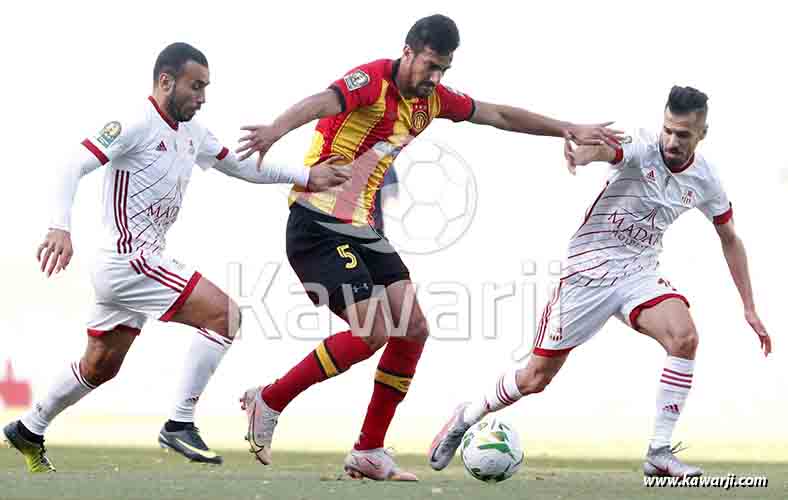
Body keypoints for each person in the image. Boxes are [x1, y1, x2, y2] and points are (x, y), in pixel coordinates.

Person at [235, 14, 621, 481]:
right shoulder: (372, 80)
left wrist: (565, 126)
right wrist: (276, 129)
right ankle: (269, 400)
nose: (434, 78)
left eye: (444, 69)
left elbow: (497, 114)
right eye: (430, 66)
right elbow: (323, 100)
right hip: (316, 224)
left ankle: (369, 450)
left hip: (359, 229)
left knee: (413, 326)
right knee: (373, 329)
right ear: (409, 52)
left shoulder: (433, 100)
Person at [2, 42, 350, 472]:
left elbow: (240, 166)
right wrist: (60, 227)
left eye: (206, 87)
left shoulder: (193, 134)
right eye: (195, 86)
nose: (202, 97)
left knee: (99, 367)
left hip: (131, 267)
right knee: (226, 315)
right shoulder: (134, 123)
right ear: (165, 81)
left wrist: (306, 176)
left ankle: (29, 428)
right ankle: (179, 422)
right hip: (130, 260)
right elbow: (70, 164)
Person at [428, 86, 772, 478]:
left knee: (685, 337)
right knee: (535, 378)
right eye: (669, 130)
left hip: (637, 274)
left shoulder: (706, 180)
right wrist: (583, 154)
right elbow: (606, 151)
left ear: (702, 134)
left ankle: (659, 451)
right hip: (586, 275)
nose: (673, 141)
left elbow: (730, 237)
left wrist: (749, 307)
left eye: (684, 134)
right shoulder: (642, 147)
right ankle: (466, 416)